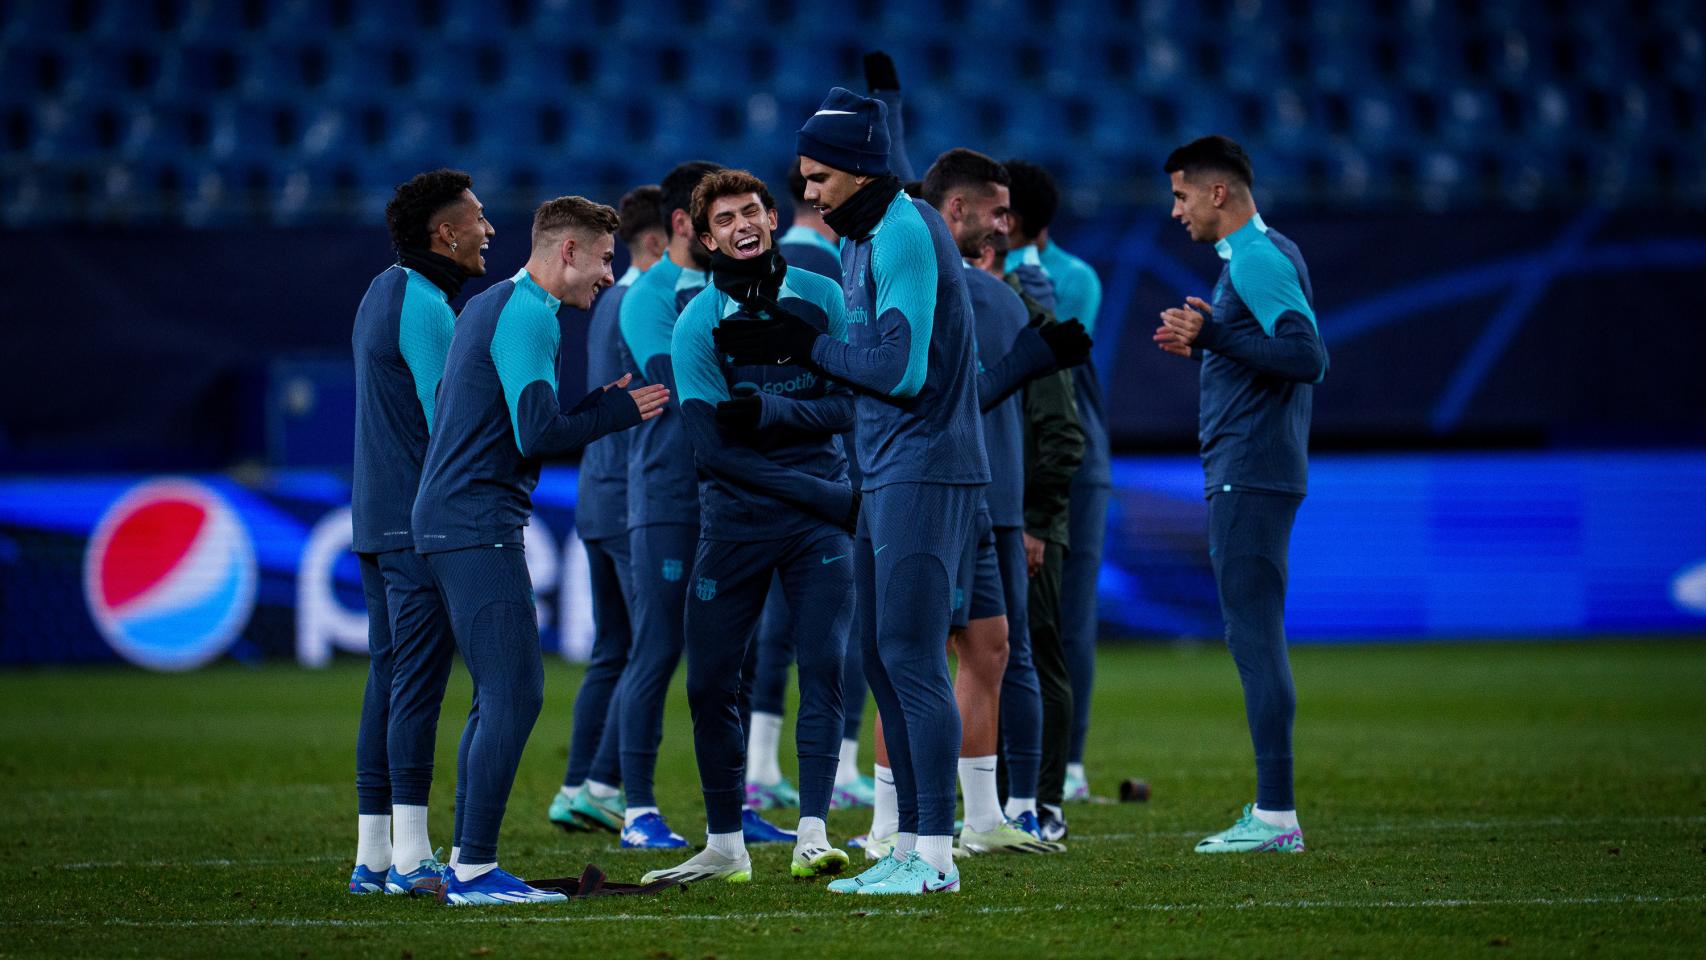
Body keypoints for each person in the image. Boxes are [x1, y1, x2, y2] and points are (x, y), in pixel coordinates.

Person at [716, 86, 984, 896]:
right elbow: (862, 363)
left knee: (910, 657)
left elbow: (899, 371)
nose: (807, 194)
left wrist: (810, 343)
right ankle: (907, 844)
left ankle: (935, 855)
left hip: (925, 466)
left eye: (818, 177)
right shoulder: (864, 240)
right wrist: (805, 350)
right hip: (885, 468)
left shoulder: (905, 229)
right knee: (880, 655)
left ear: (862, 170)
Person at [412, 196, 669, 904]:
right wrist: (615, 412)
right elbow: (535, 434)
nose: (608, 277)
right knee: (517, 694)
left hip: (452, 518)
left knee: (493, 698)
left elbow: (521, 419)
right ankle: (472, 869)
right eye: (605, 260)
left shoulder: (495, 304)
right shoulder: (531, 315)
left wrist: (591, 405)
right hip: (475, 521)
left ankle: (468, 861)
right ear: (566, 252)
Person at [641, 169, 860, 885]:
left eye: (753, 211)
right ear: (704, 239)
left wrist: (774, 413)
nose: (745, 224)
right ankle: (726, 845)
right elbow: (713, 454)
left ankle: (813, 832)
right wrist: (817, 492)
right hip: (741, 522)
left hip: (816, 527)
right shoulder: (695, 323)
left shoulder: (822, 294)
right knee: (709, 683)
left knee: (823, 667)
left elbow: (850, 406)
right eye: (727, 218)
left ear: (771, 217)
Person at [1152, 135, 1327, 854]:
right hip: (1252, 467)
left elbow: (1306, 355)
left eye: (1181, 195)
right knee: (1254, 633)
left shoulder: (1257, 258)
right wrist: (1213, 337)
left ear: (1217, 192)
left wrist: (1216, 335)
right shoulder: (1261, 255)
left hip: (1251, 471)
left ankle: (1276, 815)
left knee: (1253, 636)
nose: (1175, 212)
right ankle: (1273, 810)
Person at [348, 169, 493, 896]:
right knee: (418, 687)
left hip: (375, 518)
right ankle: (411, 857)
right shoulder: (430, 307)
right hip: (415, 525)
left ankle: (374, 856)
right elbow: (450, 431)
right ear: (446, 233)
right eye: (477, 218)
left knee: (389, 680)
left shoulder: (382, 289)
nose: (489, 230)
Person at [612, 161, 747, 849]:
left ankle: (738, 803)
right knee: (659, 648)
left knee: (735, 656)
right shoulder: (647, 297)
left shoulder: (731, 285)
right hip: (668, 497)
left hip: (732, 494)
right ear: (681, 224)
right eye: (712, 217)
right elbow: (689, 390)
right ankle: (637, 811)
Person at [548, 185, 666, 834]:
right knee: (648, 647)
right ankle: (603, 783)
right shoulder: (643, 301)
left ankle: (577, 788)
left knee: (615, 649)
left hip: (600, 492)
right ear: (661, 240)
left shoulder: (610, 303)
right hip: (630, 499)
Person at [1003, 158, 1107, 804]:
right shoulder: (978, 276)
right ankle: (1005, 769)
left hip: (1071, 465)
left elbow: (1052, 359)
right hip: (999, 466)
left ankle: (1066, 766)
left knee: (1067, 623)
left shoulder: (1072, 280)